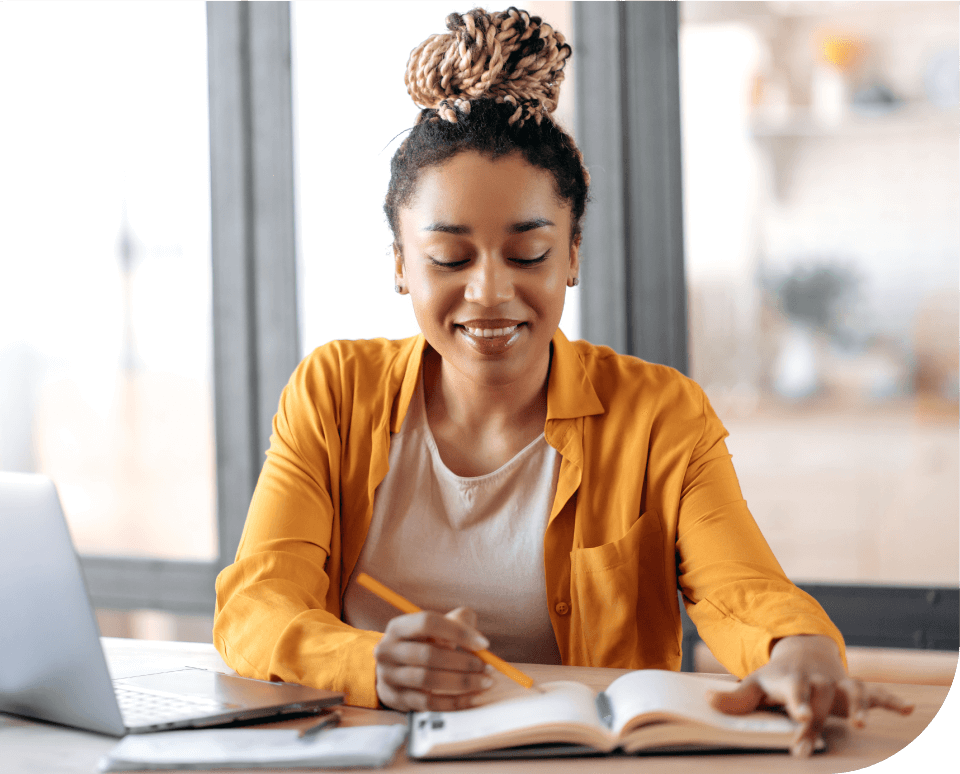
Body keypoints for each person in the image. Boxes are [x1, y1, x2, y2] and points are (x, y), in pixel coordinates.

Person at [213, 7, 913, 757]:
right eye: (450, 259)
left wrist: (797, 648)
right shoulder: (332, 392)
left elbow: (742, 589)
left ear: (572, 256)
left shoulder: (659, 414)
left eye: (528, 255)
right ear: (399, 264)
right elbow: (255, 604)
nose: (488, 292)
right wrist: (367, 663)